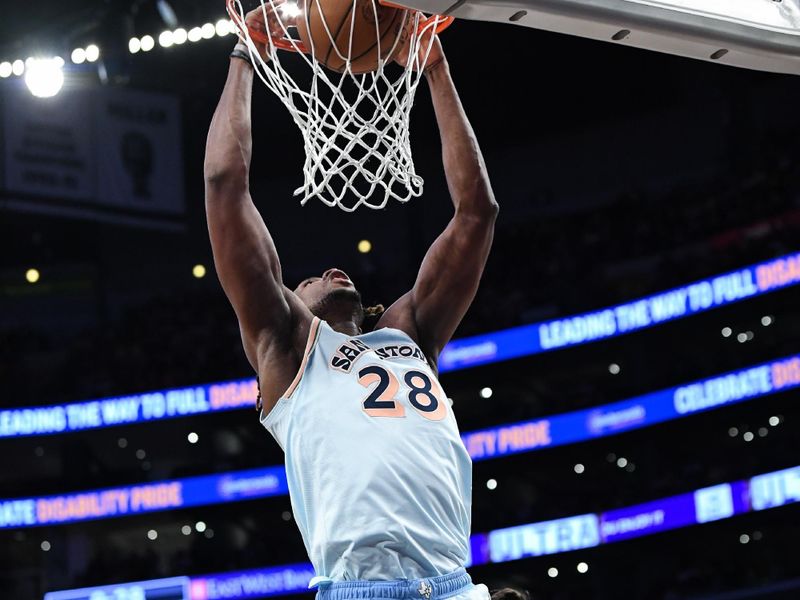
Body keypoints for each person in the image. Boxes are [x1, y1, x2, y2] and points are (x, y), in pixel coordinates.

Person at [204, 5, 498, 600]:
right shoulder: (287, 348)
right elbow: (223, 186)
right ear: (292, 299)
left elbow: (477, 213)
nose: (329, 271)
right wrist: (244, 52)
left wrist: (431, 61)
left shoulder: (407, 333)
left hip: (454, 586)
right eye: (311, 277)